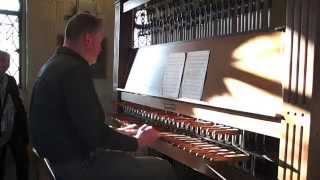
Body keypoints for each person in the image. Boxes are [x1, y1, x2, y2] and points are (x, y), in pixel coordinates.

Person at [29, 13, 176, 180]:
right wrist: (138, 141)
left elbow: (80, 126)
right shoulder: (74, 70)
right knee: (163, 167)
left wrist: (117, 132)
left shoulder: (54, 64)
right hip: (77, 166)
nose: (100, 49)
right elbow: (94, 134)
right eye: (100, 43)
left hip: (61, 161)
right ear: (88, 40)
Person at [0, 50, 29, 180]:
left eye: (7, 62)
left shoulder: (10, 80)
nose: (7, 65)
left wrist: (24, 131)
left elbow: (18, 104)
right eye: (5, 62)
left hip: (14, 128)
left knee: (22, 161)